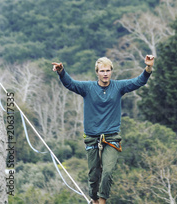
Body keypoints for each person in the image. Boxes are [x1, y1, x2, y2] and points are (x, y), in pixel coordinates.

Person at [52, 55, 154, 204]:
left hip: (112, 137)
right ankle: (93, 199)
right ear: (97, 72)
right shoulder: (88, 88)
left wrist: (148, 67)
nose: (105, 73)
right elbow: (70, 84)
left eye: (108, 70)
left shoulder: (119, 87)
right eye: (102, 71)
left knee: (107, 171)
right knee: (94, 174)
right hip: (92, 137)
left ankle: (102, 200)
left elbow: (139, 81)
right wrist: (61, 71)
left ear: (111, 71)